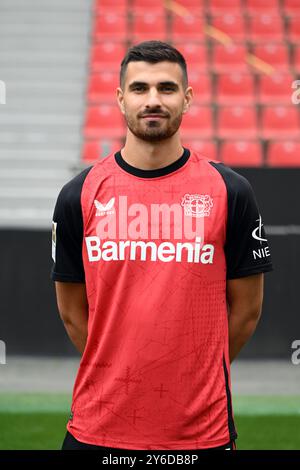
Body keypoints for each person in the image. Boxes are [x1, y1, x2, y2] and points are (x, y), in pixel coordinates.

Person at [51, 40, 273, 451]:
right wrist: (121, 367)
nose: (153, 100)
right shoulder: (78, 194)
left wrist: (193, 374)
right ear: (120, 99)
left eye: (167, 88)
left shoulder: (231, 191)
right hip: (98, 427)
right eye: (139, 88)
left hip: (200, 433)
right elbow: (71, 311)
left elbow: (247, 310)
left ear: (187, 99)